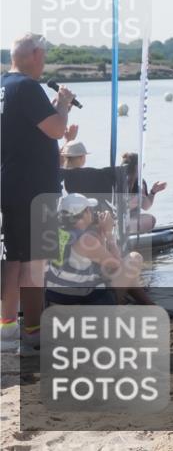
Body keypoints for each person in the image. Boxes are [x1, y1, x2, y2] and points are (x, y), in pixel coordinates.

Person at [1, 33, 76, 353]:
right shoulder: (28, 87)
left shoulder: (4, 85)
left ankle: (7, 331)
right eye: (43, 56)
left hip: (11, 183)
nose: (44, 62)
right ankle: (32, 330)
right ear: (35, 54)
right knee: (34, 262)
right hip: (34, 189)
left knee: (13, 258)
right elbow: (56, 129)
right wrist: (63, 104)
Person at [44, 193, 144, 306]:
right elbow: (117, 265)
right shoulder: (85, 240)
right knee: (134, 258)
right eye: (90, 209)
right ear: (85, 212)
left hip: (56, 302)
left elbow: (100, 267)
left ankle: (147, 303)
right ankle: (119, 309)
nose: (93, 212)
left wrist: (100, 233)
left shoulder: (56, 234)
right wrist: (109, 234)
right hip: (80, 305)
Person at [61, 145, 166, 233]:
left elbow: (145, 205)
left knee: (147, 218)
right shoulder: (120, 180)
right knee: (150, 220)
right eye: (142, 165)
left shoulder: (137, 182)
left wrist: (153, 192)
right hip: (115, 221)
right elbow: (143, 205)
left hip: (112, 220)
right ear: (136, 167)